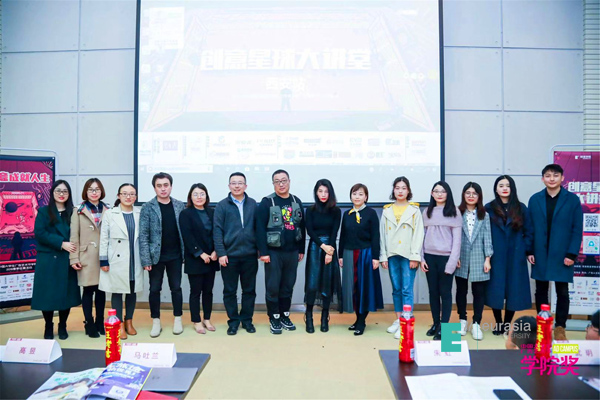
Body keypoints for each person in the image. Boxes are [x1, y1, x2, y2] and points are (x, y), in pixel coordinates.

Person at [528, 164, 584, 341]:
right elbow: (530, 227)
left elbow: (577, 229)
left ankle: (560, 327)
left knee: (563, 292)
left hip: (562, 254)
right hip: (540, 252)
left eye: (555, 175)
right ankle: (542, 325)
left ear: (562, 178)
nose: (551, 179)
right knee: (540, 290)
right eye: (547, 175)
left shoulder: (572, 200)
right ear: (542, 179)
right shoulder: (535, 199)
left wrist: (572, 254)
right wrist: (529, 250)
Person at [256, 169, 306, 334]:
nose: (281, 184)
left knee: (287, 286)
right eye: (277, 181)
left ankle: (285, 315)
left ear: (289, 181)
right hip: (273, 253)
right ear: (273, 184)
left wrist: (301, 249)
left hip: (292, 252)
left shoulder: (296, 201)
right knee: (273, 287)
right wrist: (263, 252)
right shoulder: (267, 202)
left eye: (284, 180)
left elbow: (302, 226)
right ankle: (274, 317)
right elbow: (259, 229)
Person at [31, 180, 81, 340]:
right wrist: (61, 243)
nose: (61, 194)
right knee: (47, 295)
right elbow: (39, 233)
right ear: (52, 193)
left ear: (69, 194)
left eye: (65, 191)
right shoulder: (44, 211)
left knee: (66, 295)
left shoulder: (73, 212)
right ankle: (48, 325)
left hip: (67, 259)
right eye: (58, 191)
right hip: (48, 259)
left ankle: (63, 325)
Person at [485, 175, 533, 335]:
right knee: (495, 289)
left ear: (512, 188)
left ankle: (507, 324)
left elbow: (529, 231)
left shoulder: (521, 208)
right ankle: (498, 323)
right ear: (496, 189)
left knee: (514, 290)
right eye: (501, 185)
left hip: (515, 255)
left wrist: (525, 249)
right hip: (496, 255)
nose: (504, 188)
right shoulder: (489, 208)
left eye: (508, 185)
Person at [139, 172, 185, 337]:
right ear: (154, 188)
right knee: (154, 289)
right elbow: (143, 235)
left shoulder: (179, 205)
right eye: (159, 186)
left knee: (176, 288)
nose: (163, 189)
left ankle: (177, 319)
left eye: (166, 185)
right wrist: (146, 259)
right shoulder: (147, 207)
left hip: (175, 256)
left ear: (171, 186)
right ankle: (156, 321)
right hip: (155, 257)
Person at [214, 173, 258, 335]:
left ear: (245, 186)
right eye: (233, 183)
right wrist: (221, 253)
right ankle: (233, 322)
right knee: (230, 291)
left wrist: (259, 249)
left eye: (240, 183)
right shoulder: (221, 206)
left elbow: (258, 228)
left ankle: (247, 320)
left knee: (249, 291)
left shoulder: (253, 204)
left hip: (250, 255)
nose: (237, 186)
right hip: (229, 256)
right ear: (229, 186)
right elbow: (217, 231)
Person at [380, 177, 424, 340]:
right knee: (396, 289)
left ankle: (406, 322)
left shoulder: (414, 210)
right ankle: (399, 319)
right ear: (393, 190)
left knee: (406, 289)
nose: (400, 191)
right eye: (397, 188)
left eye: (403, 188)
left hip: (407, 255)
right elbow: (382, 235)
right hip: (392, 254)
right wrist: (383, 256)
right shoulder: (387, 210)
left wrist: (415, 256)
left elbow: (418, 234)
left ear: (408, 190)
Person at [99, 184, 143, 340]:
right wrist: (103, 260)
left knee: (132, 290)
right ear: (119, 196)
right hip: (116, 259)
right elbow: (104, 238)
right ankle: (119, 324)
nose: (128, 197)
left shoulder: (140, 213)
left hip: (135, 258)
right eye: (124, 193)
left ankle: (129, 321)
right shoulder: (110, 214)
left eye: (132, 194)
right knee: (117, 291)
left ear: (136, 197)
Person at [339, 183, 383, 335]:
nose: (357, 197)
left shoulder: (371, 213)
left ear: (366, 197)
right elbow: (343, 236)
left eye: (360, 194)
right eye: (354, 194)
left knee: (364, 288)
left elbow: (376, 237)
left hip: (365, 255)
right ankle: (357, 319)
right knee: (352, 288)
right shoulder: (347, 214)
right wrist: (340, 255)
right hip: (349, 254)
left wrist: (376, 257)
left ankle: (361, 321)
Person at [421, 181, 462, 341]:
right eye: (436, 191)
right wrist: (421, 258)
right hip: (429, 257)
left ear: (448, 194)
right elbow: (421, 237)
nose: (439, 194)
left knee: (445, 293)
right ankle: (435, 324)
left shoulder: (454, 212)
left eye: (443, 191)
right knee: (433, 292)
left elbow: (457, 241)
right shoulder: (427, 212)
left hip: (446, 258)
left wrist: (452, 262)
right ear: (432, 194)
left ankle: (445, 328)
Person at [70, 178, 108, 338]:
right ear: (86, 191)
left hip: (103, 256)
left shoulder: (108, 209)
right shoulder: (78, 210)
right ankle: (89, 323)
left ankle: (100, 321)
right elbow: (74, 236)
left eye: (97, 189)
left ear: (101, 191)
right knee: (88, 290)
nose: (94, 192)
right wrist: (74, 258)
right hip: (86, 256)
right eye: (91, 189)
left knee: (101, 290)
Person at [455, 182, 493, 340]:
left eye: (474, 193)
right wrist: (454, 256)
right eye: (468, 193)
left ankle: (476, 323)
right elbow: (453, 237)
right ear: (463, 195)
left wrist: (487, 259)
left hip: (479, 257)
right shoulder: (457, 213)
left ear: (479, 196)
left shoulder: (484, 215)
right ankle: (462, 321)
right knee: (461, 291)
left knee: (479, 292)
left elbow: (487, 238)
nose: (471, 196)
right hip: (460, 257)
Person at [179, 184, 219, 334]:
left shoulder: (212, 212)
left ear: (206, 196)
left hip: (212, 258)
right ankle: (196, 321)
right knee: (195, 291)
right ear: (190, 197)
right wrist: (200, 254)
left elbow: (217, 233)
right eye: (195, 194)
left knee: (208, 291)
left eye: (202, 194)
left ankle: (207, 319)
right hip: (195, 259)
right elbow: (187, 237)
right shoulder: (185, 214)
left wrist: (215, 251)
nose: (199, 197)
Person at [304, 179, 342, 333]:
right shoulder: (310, 210)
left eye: (326, 191)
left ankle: (324, 317)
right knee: (312, 284)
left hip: (330, 248)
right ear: (316, 192)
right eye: (320, 191)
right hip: (315, 246)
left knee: (327, 284)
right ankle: (309, 317)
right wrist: (323, 246)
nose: (323, 194)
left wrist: (329, 251)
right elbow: (310, 231)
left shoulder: (336, 211)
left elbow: (334, 232)